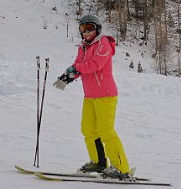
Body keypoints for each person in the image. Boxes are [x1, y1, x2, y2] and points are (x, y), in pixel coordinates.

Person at [53, 14, 132, 179]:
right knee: (88, 129)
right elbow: (78, 65)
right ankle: (98, 162)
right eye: (83, 29)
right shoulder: (82, 47)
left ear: (97, 29)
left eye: (89, 28)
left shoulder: (104, 44)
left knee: (106, 130)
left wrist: (74, 70)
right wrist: (65, 77)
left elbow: (95, 65)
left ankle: (121, 167)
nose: (86, 32)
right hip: (89, 95)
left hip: (105, 94)